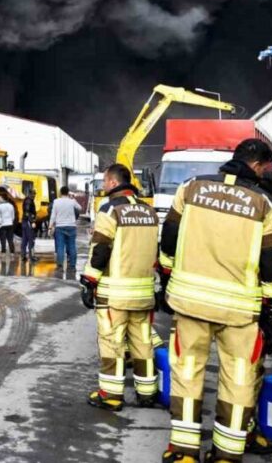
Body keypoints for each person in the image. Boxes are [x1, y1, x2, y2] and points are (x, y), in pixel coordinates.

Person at [159, 139, 272, 463]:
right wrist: (270, 305)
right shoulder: (265, 203)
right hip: (240, 309)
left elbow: (169, 236)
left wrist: (169, 277)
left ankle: (184, 452)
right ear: (257, 165)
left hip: (190, 301)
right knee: (239, 379)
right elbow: (270, 260)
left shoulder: (190, 187)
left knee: (187, 373)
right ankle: (227, 453)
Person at [82, 164, 159, 412]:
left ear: (113, 183)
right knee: (143, 343)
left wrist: (89, 280)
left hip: (115, 293)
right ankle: (147, 393)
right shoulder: (149, 211)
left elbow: (101, 248)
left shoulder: (110, 209)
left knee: (112, 342)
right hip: (143, 292)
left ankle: (112, 395)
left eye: (105, 182)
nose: (103, 186)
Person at [50, 186, 81, 270]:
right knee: (72, 246)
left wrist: (50, 226)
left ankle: (60, 265)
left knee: (60, 246)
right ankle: (72, 265)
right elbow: (80, 208)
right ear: (68, 193)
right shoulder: (72, 201)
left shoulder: (56, 202)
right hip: (71, 226)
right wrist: (73, 199)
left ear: (60, 193)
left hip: (60, 227)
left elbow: (53, 215)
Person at [20, 191, 37, 261]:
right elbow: (27, 212)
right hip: (28, 222)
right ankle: (31, 256)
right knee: (31, 239)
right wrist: (32, 221)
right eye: (34, 194)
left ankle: (23, 255)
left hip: (25, 222)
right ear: (31, 194)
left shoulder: (27, 200)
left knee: (24, 239)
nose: (34, 196)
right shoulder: (29, 201)